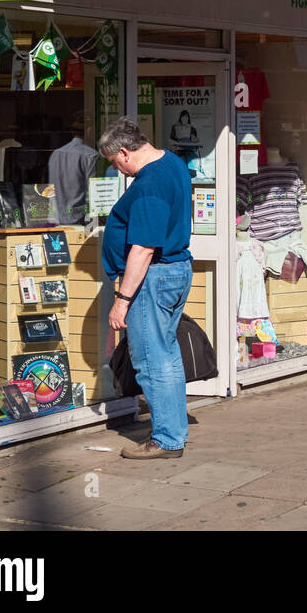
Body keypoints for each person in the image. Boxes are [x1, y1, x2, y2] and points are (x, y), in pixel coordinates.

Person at [99, 117, 194, 459]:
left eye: (114, 162)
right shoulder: (172, 163)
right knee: (165, 355)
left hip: (153, 278)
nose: (118, 170)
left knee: (153, 360)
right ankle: (173, 430)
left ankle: (167, 439)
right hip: (173, 271)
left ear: (124, 152)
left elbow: (143, 248)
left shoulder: (149, 183)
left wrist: (121, 301)